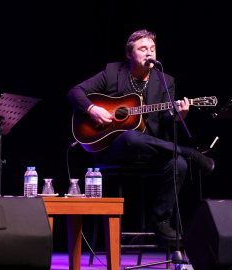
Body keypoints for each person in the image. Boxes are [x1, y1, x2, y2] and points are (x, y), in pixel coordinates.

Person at [67, 29, 214, 240]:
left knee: (179, 164)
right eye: (143, 48)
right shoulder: (112, 72)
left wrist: (177, 114)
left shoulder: (166, 80)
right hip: (117, 147)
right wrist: (93, 109)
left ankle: (160, 219)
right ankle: (189, 152)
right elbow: (74, 92)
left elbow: (165, 119)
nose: (149, 53)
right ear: (129, 54)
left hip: (151, 149)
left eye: (153, 49)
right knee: (129, 136)